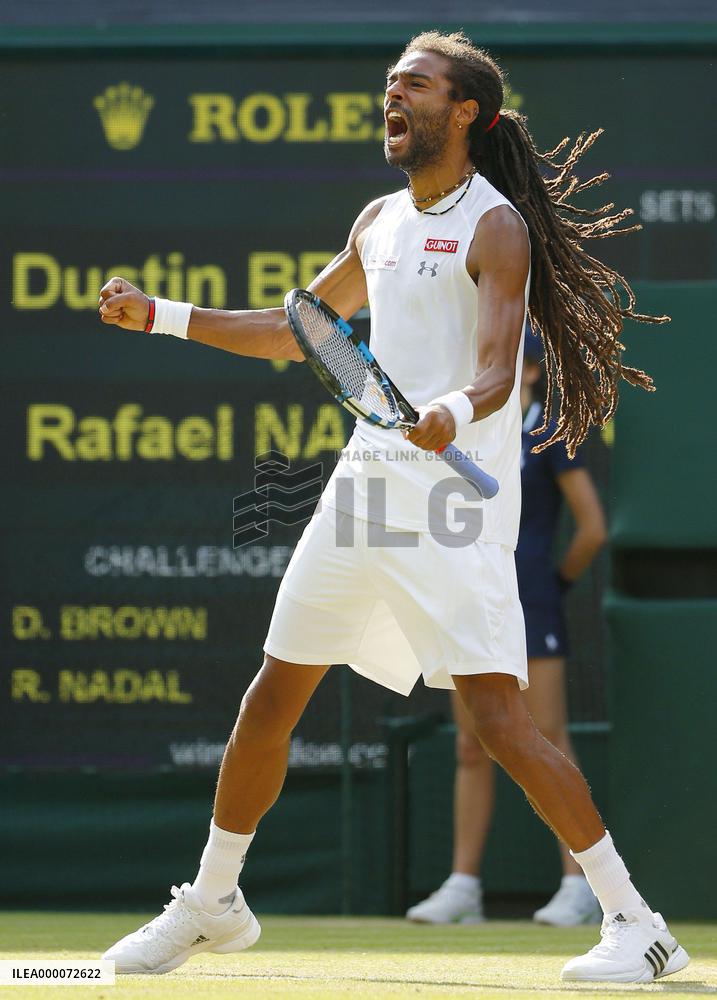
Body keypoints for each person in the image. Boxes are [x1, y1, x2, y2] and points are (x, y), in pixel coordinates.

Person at [97, 31, 688, 983]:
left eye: (414, 84)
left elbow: (497, 371)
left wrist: (447, 413)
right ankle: (212, 901)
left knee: (498, 721)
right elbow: (294, 334)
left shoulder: (496, 227)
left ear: (465, 113)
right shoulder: (376, 220)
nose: (393, 96)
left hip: (451, 507)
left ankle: (635, 922)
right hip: (363, 491)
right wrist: (162, 313)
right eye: (389, 84)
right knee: (272, 693)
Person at [407, 326, 608, 927]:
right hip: (469, 602)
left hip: (534, 609)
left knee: (545, 734)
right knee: (472, 745)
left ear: (530, 373)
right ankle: (464, 885)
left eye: (514, 364)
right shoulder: (460, 431)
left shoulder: (548, 432)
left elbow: (591, 527)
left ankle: (578, 886)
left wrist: (552, 587)